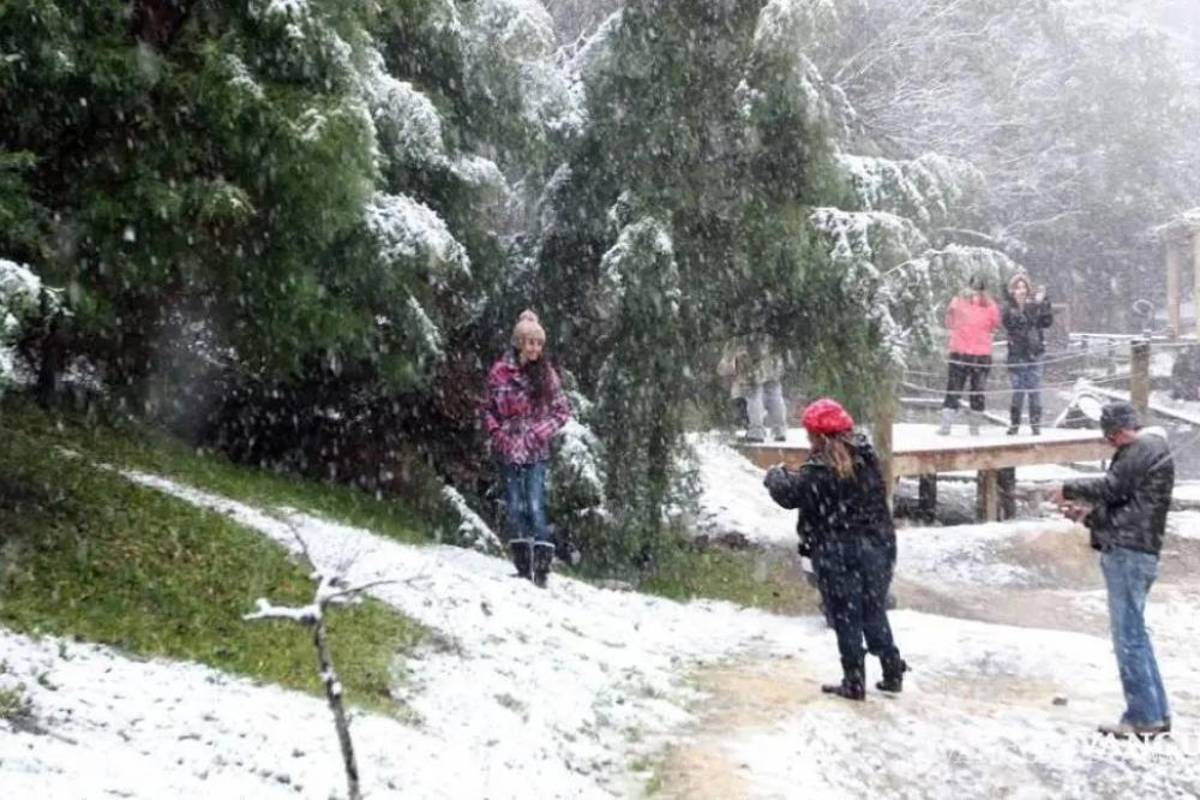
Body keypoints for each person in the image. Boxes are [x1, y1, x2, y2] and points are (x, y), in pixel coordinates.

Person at [763, 398, 907, 700]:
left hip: (836, 550)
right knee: (872, 610)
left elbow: (790, 495)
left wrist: (775, 475)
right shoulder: (867, 461)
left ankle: (854, 680)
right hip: (877, 545)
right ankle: (892, 669)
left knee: (845, 614)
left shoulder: (819, 472)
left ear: (816, 436)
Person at [1055, 402, 1174, 739]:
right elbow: (1127, 507)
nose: (1110, 444)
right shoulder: (1151, 451)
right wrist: (1086, 517)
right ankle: (1155, 712)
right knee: (1136, 634)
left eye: (1110, 437)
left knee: (1128, 639)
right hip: (1138, 549)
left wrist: (1069, 487)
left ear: (1118, 431)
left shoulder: (1141, 449)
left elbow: (1111, 488)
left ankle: (1143, 718)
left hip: (1129, 554)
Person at [482, 310, 572, 588]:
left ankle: (542, 571)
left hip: (536, 451)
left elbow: (562, 411)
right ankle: (523, 567)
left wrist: (537, 433)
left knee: (535, 505)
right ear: (519, 342)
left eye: (539, 344)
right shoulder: (499, 372)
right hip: (508, 448)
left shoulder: (547, 374)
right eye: (530, 343)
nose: (535, 349)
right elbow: (486, 409)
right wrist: (498, 434)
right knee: (514, 507)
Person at [939, 274, 1001, 436]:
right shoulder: (983, 304)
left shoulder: (962, 301)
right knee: (971, 390)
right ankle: (968, 427)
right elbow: (995, 326)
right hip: (970, 352)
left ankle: (954, 426)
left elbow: (949, 322)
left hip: (971, 353)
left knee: (960, 389)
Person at [1001, 273, 1053, 435]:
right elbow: (1010, 324)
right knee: (1018, 390)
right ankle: (1015, 424)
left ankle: (1035, 425)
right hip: (1017, 353)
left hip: (1035, 351)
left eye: (1024, 287)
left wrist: (1043, 303)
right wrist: (1024, 307)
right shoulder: (1009, 308)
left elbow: (1046, 322)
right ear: (1013, 290)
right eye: (1018, 288)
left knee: (1035, 390)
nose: (1021, 291)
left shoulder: (1035, 305)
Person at [718, 334, 787, 442]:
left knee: (754, 394)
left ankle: (756, 431)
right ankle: (779, 430)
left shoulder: (740, 337)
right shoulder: (771, 334)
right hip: (770, 352)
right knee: (774, 393)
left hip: (751, 357)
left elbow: (724, 368)